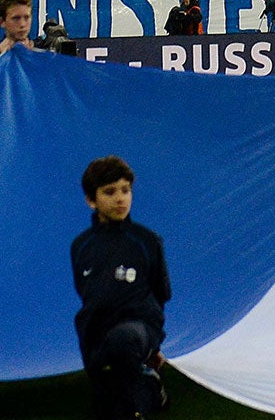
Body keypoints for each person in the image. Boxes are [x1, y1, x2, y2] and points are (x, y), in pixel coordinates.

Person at [71, 155, 170, 420]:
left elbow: (161, 292)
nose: (120, 199)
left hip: (137, 327)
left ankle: (142, 396)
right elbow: (86, 292)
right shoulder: (80, 246)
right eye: (110, 192)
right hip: (95, 330)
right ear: (91, 200)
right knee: (108, 405)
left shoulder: (147, 241)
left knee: (123, 343)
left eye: (126, 190)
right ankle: (149, 384)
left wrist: (152, 342)